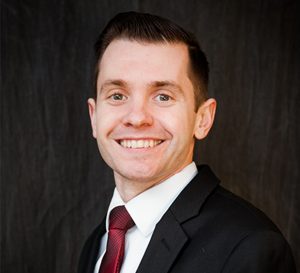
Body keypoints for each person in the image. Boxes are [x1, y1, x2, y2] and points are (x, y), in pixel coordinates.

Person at [78, 11, 296, 273]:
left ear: (202, 119)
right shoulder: (98, 244)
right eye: (116, 95)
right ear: (94, 116)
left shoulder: (251, 248)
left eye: (163, 97)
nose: (137, 118)